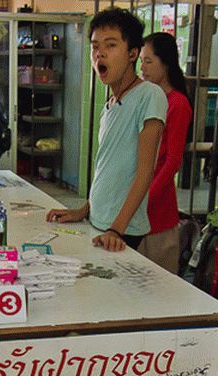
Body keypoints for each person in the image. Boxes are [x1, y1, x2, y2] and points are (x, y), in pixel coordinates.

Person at [45, 8, 166, 251]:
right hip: (99, 221)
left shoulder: (149, 96)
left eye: (110, 45)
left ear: (133, 54)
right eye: (95, 46)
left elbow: (145, 171)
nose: (99, 53)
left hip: (123, 229)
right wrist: (83, 210)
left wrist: (116, 229)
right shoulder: (109, 105)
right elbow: (109, 169)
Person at [137, 32, 192, 273]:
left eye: (148, 61)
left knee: (157, 287)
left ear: (166, 62)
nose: (143, 68)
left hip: (156, 212)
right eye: (141, 61)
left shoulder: (178, 104)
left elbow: (172, 162)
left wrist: (143, 198)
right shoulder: (146, 98)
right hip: (133, 205)